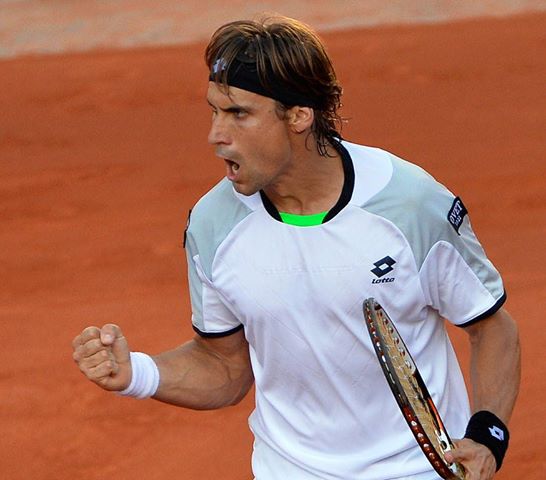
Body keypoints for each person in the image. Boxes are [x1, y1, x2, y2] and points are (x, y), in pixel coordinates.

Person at [72, 15, 520, 480]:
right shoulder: (213, 225)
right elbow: (223, 366)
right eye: (214, 110)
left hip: (417, 471)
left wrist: (488, 435)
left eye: (239, 114)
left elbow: (492, 329)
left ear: (299, 116)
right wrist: (137, 374)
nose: (215, 135)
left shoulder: (410, 206)